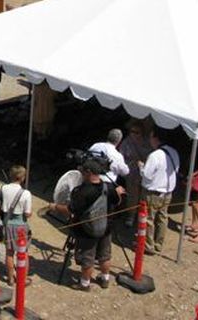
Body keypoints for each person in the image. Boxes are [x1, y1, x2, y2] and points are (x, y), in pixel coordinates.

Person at [68, 156, 124, 291]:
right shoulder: (109, 188)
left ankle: (84, 283)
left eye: (82, 171)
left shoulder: (82, 191)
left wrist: (55, 207)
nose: (81, 173)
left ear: (88, 172)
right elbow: (118, 202)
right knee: (105, 255)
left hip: (87, 231)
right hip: (106, 227)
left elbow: (73, 210)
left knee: (88, 257)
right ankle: (105, 278)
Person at [140, 128, 180, 254]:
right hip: (168, 192)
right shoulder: (174, 152)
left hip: (153, 193)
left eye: (151, 137)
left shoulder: (155, 155)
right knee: (163, 218)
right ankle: (159, 244)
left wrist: (141, 167)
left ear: (156, 139)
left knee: (148, 219)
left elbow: (147, 175)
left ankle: (148, 245)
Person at [0, 165, 31, 286]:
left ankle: (10, 279)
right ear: (22, 178)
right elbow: (27, 213)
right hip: (21, 225)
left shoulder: (3, 188)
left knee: (9, 252)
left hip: (8, 223)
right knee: (24, 253)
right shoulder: (26, 193)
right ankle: (23, 279)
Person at [117, 121, 151, 226]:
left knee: (145, 197)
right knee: (132, 196)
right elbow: (120, 157)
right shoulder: (126, 142)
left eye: (137, 132)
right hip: (132, 174)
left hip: (145, 174)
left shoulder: (148, 142)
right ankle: (131, 216)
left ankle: (144, 217)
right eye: (132, 132)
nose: (134, 134)